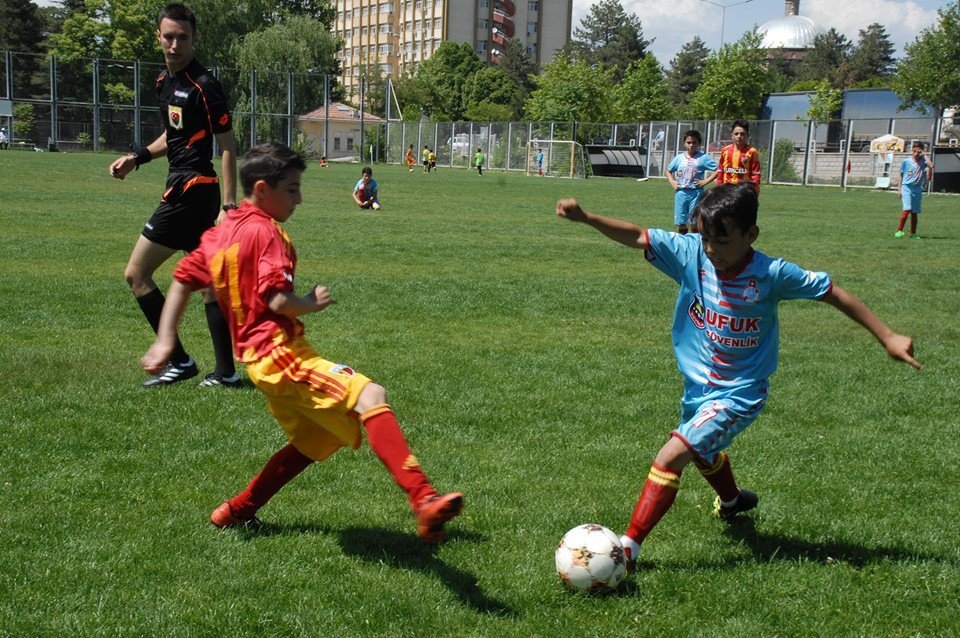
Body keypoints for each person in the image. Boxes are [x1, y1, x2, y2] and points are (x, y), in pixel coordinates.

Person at [555, 184, 919, 569]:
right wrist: (587, 218)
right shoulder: (692, 254)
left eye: (722, 240)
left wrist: (888, 335)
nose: (711, 249)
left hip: (740, 392)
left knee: (673, 453)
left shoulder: (771, 274)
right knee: (702, 452)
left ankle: (627, 549)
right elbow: (638, 235)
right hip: (698, 385)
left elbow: (831, 292)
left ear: (751, 236)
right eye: (705, 237)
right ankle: (733, 501)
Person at [141, 142, 464, 540]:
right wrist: (309, 303)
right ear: (262, 189)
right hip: (279, 355)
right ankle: (423, 499)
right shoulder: (269, 233)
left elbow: (181, 280)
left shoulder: (221, 232)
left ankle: (236, 510)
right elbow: (276, 299)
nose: (299, 198)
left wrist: (164, 340)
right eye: (291, 189)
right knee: (371, 396)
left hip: (259, 362)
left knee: (313, 441)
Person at [108, 3, 239, 388]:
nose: (175, 43)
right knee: (210, 285)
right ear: (158, 38)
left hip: (192, 191)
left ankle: (179, 360)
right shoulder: (164, 82)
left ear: (194, 39)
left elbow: (228, 145)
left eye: (183, 37)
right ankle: (226, 372)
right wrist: (138, 157)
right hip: (185, 187)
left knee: (136, 273)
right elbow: (175, 135)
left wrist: (229, 206)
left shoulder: (205, 85)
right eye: (169, 36)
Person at [666, 129, 718, 234]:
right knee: (681, 221)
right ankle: (683, 243)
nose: (691, 145)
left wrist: (705, 181)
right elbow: (668, 170)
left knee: (694, 222)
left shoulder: (703, 158)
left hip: (696, 193)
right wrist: (672, 182)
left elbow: (719, 169)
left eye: (694, 142)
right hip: (681, 193)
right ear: (684, 143)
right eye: (688, 142)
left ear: (699, 144)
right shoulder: (679, 158)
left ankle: (695, 243)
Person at [894, 141, 933, 239]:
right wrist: (899, 189)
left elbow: (931, 166)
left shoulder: (923, 161)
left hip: (917, 189)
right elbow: (900, 175)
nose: (917, 152)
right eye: (915, 149)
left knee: (914, 212)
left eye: (919, 149)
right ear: (912, 150)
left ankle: (913, 233)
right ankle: (899, 231)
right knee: (907, 209)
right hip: (907, 187)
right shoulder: (906, 161)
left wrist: (925, 155)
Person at [716, 120, 761, 195]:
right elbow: (721, 171)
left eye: (742, 134)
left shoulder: (752, 152)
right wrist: (718, 187)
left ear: (747, 135)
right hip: (726, 190)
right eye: (736, 134)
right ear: (732, 135)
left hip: (744, 191)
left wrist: (755, 190)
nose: (739, 136)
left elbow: (755, 174)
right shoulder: (725, 150)